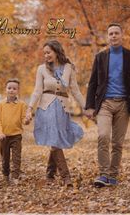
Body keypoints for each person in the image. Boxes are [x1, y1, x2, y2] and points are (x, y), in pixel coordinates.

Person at [84, 23, 130, 187]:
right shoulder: (100, 57)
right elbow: (93, 82)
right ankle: (103, 174)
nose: (114, 36)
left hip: (124, 104)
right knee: (103, 136)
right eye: (111, 34)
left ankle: (113, 175)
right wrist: (89, 106)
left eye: (116, 33)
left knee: (117, 143)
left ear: (122, 35)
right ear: (107, 37)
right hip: (105, 104)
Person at [26, 40, 85, 187]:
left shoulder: (68, 68)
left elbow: (75, 90)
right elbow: (37, 90)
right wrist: (29, 108)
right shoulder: (41, 69)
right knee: (55, 139)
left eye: (48, 52)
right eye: (44, 53)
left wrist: (86, 108)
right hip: (46, 108)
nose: (46, 55)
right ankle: (66, 177)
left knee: (56, 140)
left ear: (56, 51)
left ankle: (50, 173)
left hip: (63, 109)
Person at [0, 78, 30, 184]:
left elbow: (24, 120)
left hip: (16, 135)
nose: (11, 90)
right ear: (6, 89)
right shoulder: (1, 104)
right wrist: (0, 132)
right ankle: (6, 175)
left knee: (16, 157)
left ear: (18, 91)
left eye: (14, 88)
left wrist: (27, 120)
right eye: (9, 88)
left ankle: (15, 177)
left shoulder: (22, 105)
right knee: (5, 158)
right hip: (4, 136)